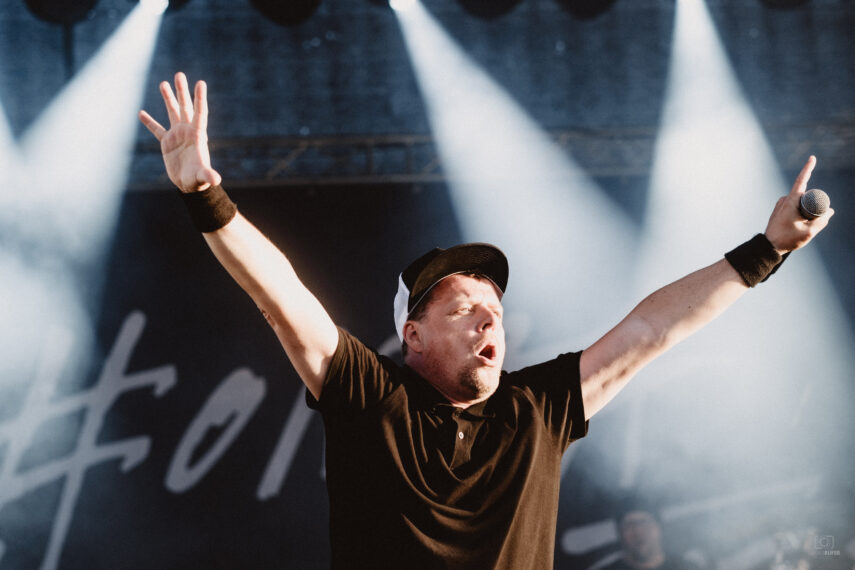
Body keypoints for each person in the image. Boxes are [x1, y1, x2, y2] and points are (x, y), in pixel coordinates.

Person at [138, 72, 834, 569]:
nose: (487, 324)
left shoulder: (535, 410)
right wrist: (203, 192)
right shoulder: (371, 397)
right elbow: (281, 297)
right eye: (463, 310)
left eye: (494, 313)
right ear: (412, 334)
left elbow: (650, 331)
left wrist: (766, 250)